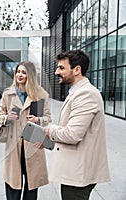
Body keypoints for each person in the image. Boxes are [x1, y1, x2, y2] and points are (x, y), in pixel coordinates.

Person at [44, 50, 110, 200]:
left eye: (61, 68)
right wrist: (48, 139)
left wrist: (49, 130)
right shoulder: (78, 92)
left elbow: (72, 134)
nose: (56, 72)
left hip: (78, 175)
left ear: (77, 70)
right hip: (74, 171)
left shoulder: (85, 94)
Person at [0, 61, 51, 200]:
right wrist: (6, 118)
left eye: (24, 72)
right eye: (18, 72)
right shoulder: (8, 94)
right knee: (13, 184)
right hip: (13, 143)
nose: (20, 75)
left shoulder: (41, 95)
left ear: (30, 75)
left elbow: (48, 119)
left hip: (32, 142)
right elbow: (0, 114)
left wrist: (37, 120)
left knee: (31, 185)